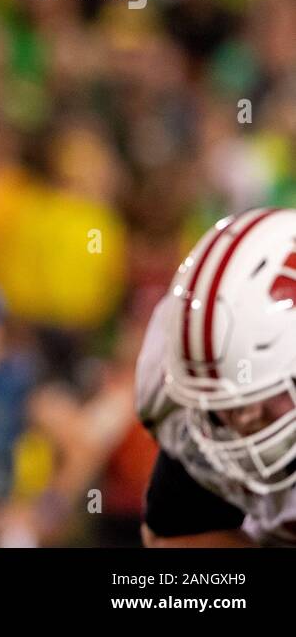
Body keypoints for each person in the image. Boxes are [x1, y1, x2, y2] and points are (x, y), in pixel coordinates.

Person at [137, 207, 296, 546]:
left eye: (262, 395)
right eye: (225, 402)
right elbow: (177, 538)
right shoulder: (179, 368)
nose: (244, 418)